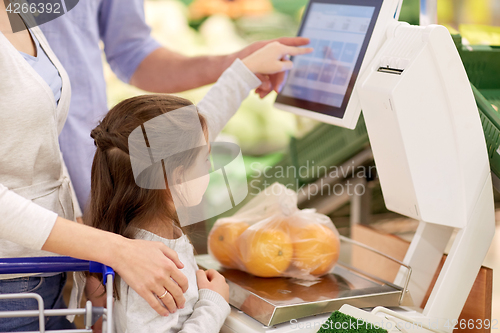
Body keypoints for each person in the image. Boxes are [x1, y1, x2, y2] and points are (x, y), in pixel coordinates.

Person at [85, 42, 311, 332]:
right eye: (204, 158)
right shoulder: (154, 266)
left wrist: (247, 71)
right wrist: (213, 302)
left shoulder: (145, 233)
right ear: (176, 178)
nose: (209, 165)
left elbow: (201, 122)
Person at [0, 6, 189, 331]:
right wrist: (115, 250)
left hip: (45, 280)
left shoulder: (16, 11)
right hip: (12, 289)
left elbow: (30, 155)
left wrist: (87, 249)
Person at [38, 0, 310, 212]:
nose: (208, 161)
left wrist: (238, 67)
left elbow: (132, 50)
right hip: (26, 212)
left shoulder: (143, 233)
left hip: (87, 185)